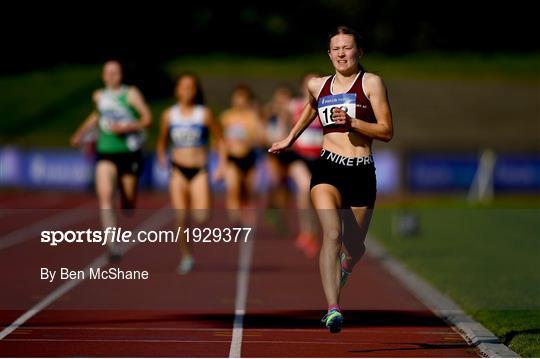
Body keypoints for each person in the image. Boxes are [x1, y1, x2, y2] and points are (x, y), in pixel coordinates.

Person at [269, 26, 393, 333]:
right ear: (329, 54)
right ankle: (333, 308)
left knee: (354, 247)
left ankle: (347, 265)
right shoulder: (317, 84)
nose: (341, 53)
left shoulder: (371, 83)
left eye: (347, 48)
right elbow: (310, 108)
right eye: (335, 48)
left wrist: (354, 123)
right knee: (333, 235)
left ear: (358, 52)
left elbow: (387, 131)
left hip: (361, 170)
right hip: (328, 169)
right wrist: (290, 137)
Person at [71, 60, 152, 261]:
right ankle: (113, 246)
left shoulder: (131, 94)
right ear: (103, 75)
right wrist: (80, 133)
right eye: (107, 72)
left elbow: (147, 119)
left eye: (115, 72)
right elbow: (96, 117)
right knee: (106, 197)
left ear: (121, 74)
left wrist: (125, 127)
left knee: (128, 202)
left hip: (128, 152)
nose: (111, 76)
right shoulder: (99, 96)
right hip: (106, 151)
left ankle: (128, 198)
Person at [156, 73, 226, 274]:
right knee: (180, 216)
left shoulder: (203, 114)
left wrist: (221, 165)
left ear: (196, 91)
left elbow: (219, 139)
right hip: (177, 169)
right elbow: (162, 140)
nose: (186, 91)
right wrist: (161, 155)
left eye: (191, 87)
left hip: (199, 170)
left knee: (202, 217)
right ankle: (186, 256)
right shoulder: (169, 115)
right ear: (177, 90)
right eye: (183, 87)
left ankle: (201, 208)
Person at [221, 85, 264, 223]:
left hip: (249, 157)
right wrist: (221, 163)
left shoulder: (252, 117)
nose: (239, 101)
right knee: (233, 189)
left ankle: (246, 212)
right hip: (232, 158)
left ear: (247, 100)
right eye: (237, 98)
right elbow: (219, 140)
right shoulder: (226, 116)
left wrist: (248, 139)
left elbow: (261, 138)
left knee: (247, 192)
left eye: (243, 98)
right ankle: (235, 220)